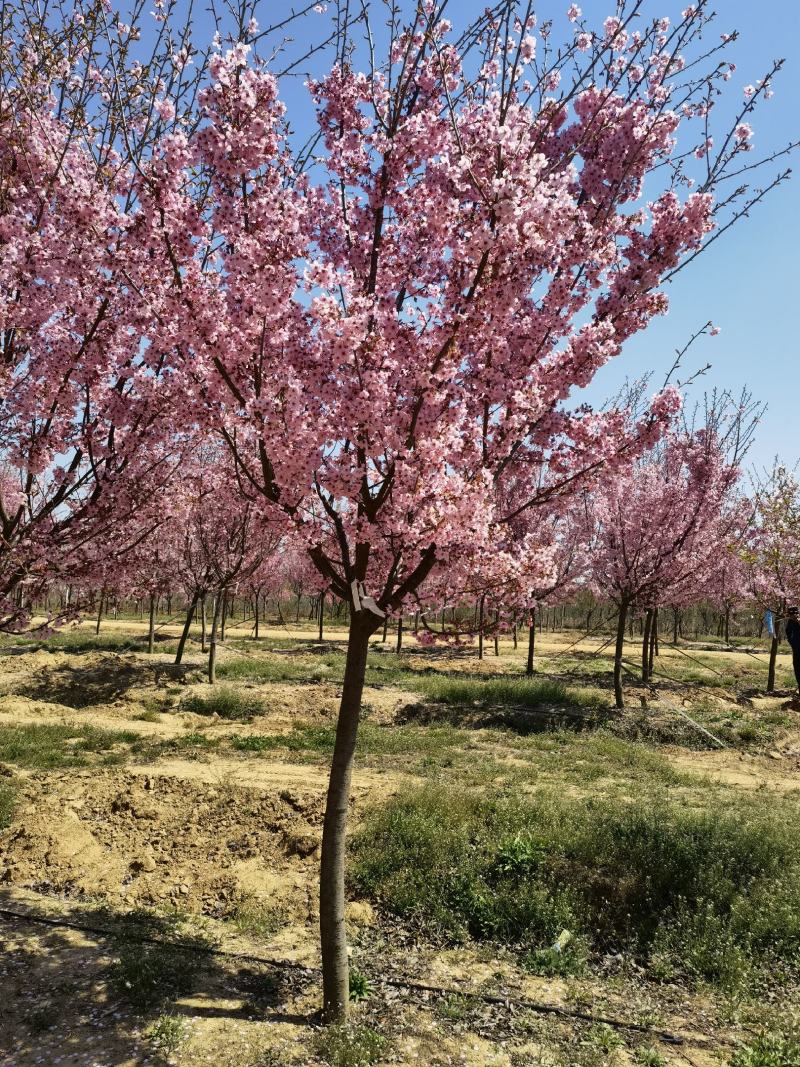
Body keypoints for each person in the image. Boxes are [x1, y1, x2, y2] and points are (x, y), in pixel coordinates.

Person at [786, 607, 800, 698]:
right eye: (791, 615)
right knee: (797, 669)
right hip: (796, 650)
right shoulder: (790, 623)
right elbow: (788, 634)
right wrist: (793, 645)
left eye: (795, 614)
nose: (793, 616)